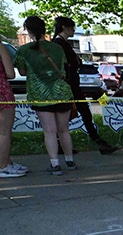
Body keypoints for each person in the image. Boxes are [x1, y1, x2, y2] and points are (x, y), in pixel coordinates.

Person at [15, 16, 74, 175]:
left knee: (49, 131)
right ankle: (70, 161)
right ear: (44, 29)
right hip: (62, 92)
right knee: (64, 130)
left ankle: (55, 165)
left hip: (40, 95)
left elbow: (21, 71)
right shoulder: (57, 48)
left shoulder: (24, 50)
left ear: (28, 30)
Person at [52, 16, 118, 155]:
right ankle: (96, 142)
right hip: (68, 84)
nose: (73, 31)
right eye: (71, 28)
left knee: (80, 112)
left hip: (72, 82)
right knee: (73, 114)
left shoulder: (62, 43)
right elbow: (70, 63)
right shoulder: (59, 44)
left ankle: (96, 141)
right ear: (64, 27)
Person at [0, 43, 27, 177]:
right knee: (4, 132)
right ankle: (3, 166)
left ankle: (6, 161)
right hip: (1, 91)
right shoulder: (0, 46)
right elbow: (11, 73)